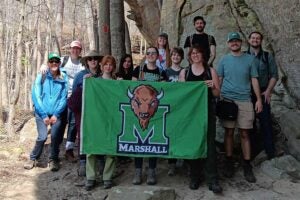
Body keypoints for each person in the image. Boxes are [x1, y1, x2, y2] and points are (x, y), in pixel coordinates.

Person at [217, 32, 263, 183]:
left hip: (244, 100)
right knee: (229, 132)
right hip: (227, 100)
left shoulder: (250, 60)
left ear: (241, 42)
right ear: (228, 43)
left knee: (245, 133)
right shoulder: (224, 60)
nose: (234, 43)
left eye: (236, 41)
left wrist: (258, 100)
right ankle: (229, 161)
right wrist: (217, 97)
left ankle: (247, 164)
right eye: (231, 41)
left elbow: (254, 80)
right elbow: (220, 79)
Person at [178, 45, 222, 193]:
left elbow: (217, 94)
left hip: (207, 110)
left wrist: (212, 87)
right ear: (190, 56)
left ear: (203, 55)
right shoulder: (185, 72)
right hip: (191, 113)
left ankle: (213, 178)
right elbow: (182, 93)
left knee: (209, 142)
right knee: (193, 142)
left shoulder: (211, 71)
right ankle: (195, 176)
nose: (195, 55)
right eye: (193, 53)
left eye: (198, 52)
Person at [41, 40, 84, 162]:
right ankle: (55, 151)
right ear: (70, 49)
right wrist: (43, 66)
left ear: (80, 51)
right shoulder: (63, 60)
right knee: (60, 123)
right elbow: (52, 65)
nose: (75, 50)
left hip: (75, 97)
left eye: (77, 49)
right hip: (61, 97)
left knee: (73, 124)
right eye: (73, 48)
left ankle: (69, 150)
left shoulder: (83, 63)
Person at [24, 52, 68, 172]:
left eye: (56, 61)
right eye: (51, 61)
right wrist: (43, 115)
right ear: (48, 63)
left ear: (59, 63)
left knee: (55, 137)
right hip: (41, 112)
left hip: (56, 113)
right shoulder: (42, 76)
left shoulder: (63, 77)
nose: (54, 63)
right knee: (42, 137)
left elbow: (63, 98)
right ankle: (33, 158)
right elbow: (36, 96)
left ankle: (53, 159)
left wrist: (56, 114)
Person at [131, 46, 167, 185]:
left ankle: (152, 170)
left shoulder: (161, 72)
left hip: (154, 112)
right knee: (137, 141)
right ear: (145, 55)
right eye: (149, 53)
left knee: (154, 141)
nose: (151, 55)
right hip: (139, 112)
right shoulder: (138, 70)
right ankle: (138, 171)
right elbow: (132, 88)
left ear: (158, 56)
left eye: (154, 53)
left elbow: (165, 89)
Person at [67, 50, 102, 176]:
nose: (93, 61)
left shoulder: (101, 76)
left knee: (97, 134)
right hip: (82, 110)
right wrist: (85, 82)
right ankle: (82, 162)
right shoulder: (80, 75)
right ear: (87, 62)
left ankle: (97, 161)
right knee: (82, 135)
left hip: (97, 111)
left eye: (95, 59)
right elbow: (74, 94)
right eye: (90, 59)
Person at [85, 55, 117, 190]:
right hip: (97, 119)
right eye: (106, 64)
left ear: (113, 67)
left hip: (112, 119)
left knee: (112, 148)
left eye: (111, 64)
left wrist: (121, 84)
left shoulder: (117, 83)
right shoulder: (94, 82)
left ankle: (107, 177)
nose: (108, 67)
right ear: (101, 66)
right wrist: (86, 81)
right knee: (92, 147)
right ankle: (90, 177)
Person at [246, 31, 278, 159]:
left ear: (261, 41)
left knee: (266, 122)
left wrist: (269, 90)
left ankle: (270, 152)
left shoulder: (267, 56)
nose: (255, 40)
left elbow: (274, 75)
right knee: (250, 123)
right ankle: (252, 154)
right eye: (253, 38)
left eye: (258, 38)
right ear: (248, 40)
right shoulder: (244, 56)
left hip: (263, 92)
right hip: (248, 94)